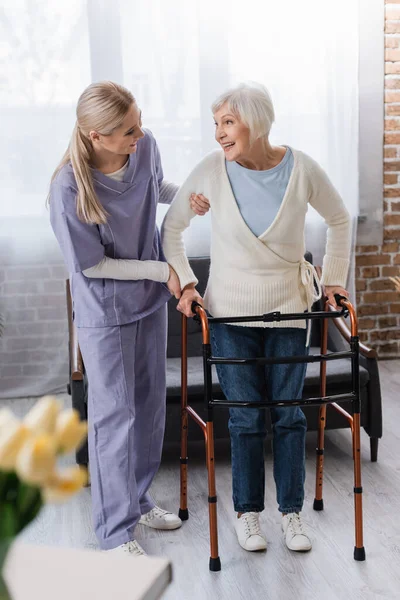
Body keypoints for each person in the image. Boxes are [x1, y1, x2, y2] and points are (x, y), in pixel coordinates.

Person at [161, 82, 351, 554]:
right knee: (244, 419)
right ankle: (248, 515)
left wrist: (332, 281)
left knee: (288, 415)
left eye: (228, 122)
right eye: (216, 125)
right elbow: (173, 228)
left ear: (255, 121)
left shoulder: (301, 167)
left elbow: (340, 218)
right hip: (228, 314)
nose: (220, 135)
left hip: (289, 309)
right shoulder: (212, 170)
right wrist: (186, 282)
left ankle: (291, 514)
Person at [49, 81, 207, 556]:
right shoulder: (68, 188)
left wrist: (190, 198)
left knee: (149, 409)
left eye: (138, 123)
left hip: (148, 304)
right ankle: (115, 531)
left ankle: (137, 502)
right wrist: (164, 270)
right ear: (97, 136)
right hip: (105, 313)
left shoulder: (145, 146)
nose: (139, 134)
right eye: (127, 130)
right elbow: (93, 265)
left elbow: (154, 187)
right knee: (114, 418)